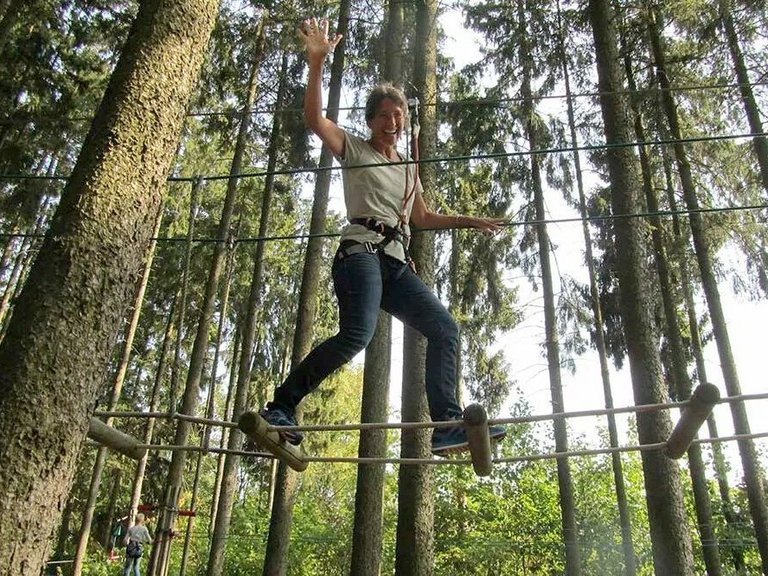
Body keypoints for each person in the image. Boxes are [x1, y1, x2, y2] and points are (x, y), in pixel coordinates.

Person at [259, 17, 506, 455]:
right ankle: (281, 406)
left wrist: (471, 221)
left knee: (446, 330)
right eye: (384, 116)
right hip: (361, 253)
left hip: (394, 262)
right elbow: (315, 119)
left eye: (399, 116)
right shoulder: (355, 149)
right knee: (357, 335)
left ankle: (447, 425)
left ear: (405, 122)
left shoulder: (408, 170)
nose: (392, 121)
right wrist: (317, 63)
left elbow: (423, 217)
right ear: (372, 121)